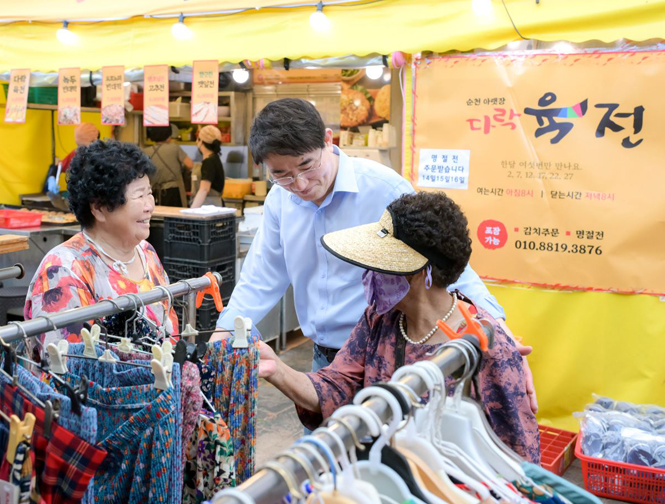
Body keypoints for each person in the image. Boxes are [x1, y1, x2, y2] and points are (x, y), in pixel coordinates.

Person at [214, 98, 537, 413]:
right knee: (325, 453)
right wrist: (224, 333)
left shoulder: (382, 187)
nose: (299, 183)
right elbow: (260, 279)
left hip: (382, 352)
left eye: (306, 166)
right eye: (281, 174)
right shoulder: (279, 202)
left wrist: (497, 334)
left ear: (328, 140)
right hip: (324, 359)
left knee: (388, 448)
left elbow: (449, 265)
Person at [258, 191, 541, 462]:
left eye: (378, 264)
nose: (368, 275)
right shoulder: (381, 320)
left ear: (419, 273)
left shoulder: (485, 345)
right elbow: (336, 386)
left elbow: (516, 457)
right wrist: (277, 370)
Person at [24, 139, 177, 357]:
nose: (150, 205)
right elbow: (68, 365)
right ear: (99, 208)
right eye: (139, 195)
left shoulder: (146, 252)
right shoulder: (63, 271)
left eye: (149, 193)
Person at [142, 125, 194, 207]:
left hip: (153, 192)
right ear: (169, 135)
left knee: (156, 217)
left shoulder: (145, 151)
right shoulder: (174, 148)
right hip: (174, 192)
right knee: (174, 217)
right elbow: (190, 165)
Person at [190, 125, 225, 208]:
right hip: (212, 205)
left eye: (198, 139)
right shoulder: (214, 158)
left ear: (201, 141)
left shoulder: (209, 162)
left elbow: (204, 189)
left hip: (208, 207)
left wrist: (192, 211)